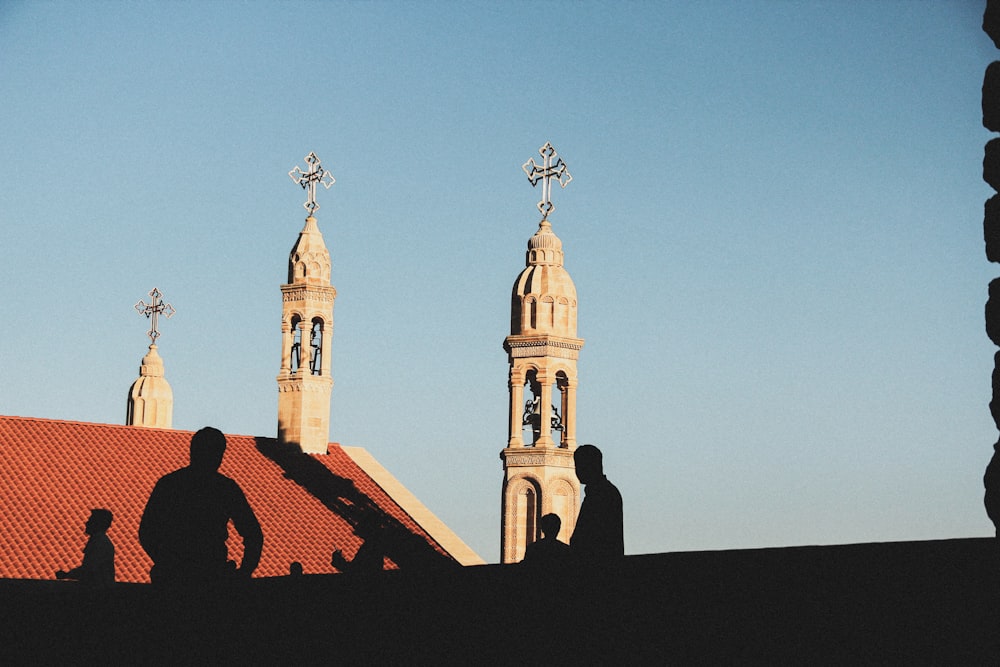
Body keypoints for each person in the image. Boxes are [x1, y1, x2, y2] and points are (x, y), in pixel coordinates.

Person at [139, 426, 263, 584]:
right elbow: (253, 534)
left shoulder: (169, 484)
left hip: (173, 577)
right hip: (212, 574)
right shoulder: (225, 488)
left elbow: (147, 531)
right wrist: (244, 572)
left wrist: (166, 561)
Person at [570, 444, 624, 562]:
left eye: (580, 466)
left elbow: (591, 535)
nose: (578, 471)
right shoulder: (601, 492)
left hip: (598, 564)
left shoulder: (602, 494)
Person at [56, 508, 115, 585]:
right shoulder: (100, 541)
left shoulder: (99, 543)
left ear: (97, 523)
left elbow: (89, 569)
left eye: (91, 521)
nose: (86, 523)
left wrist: (68, 575)